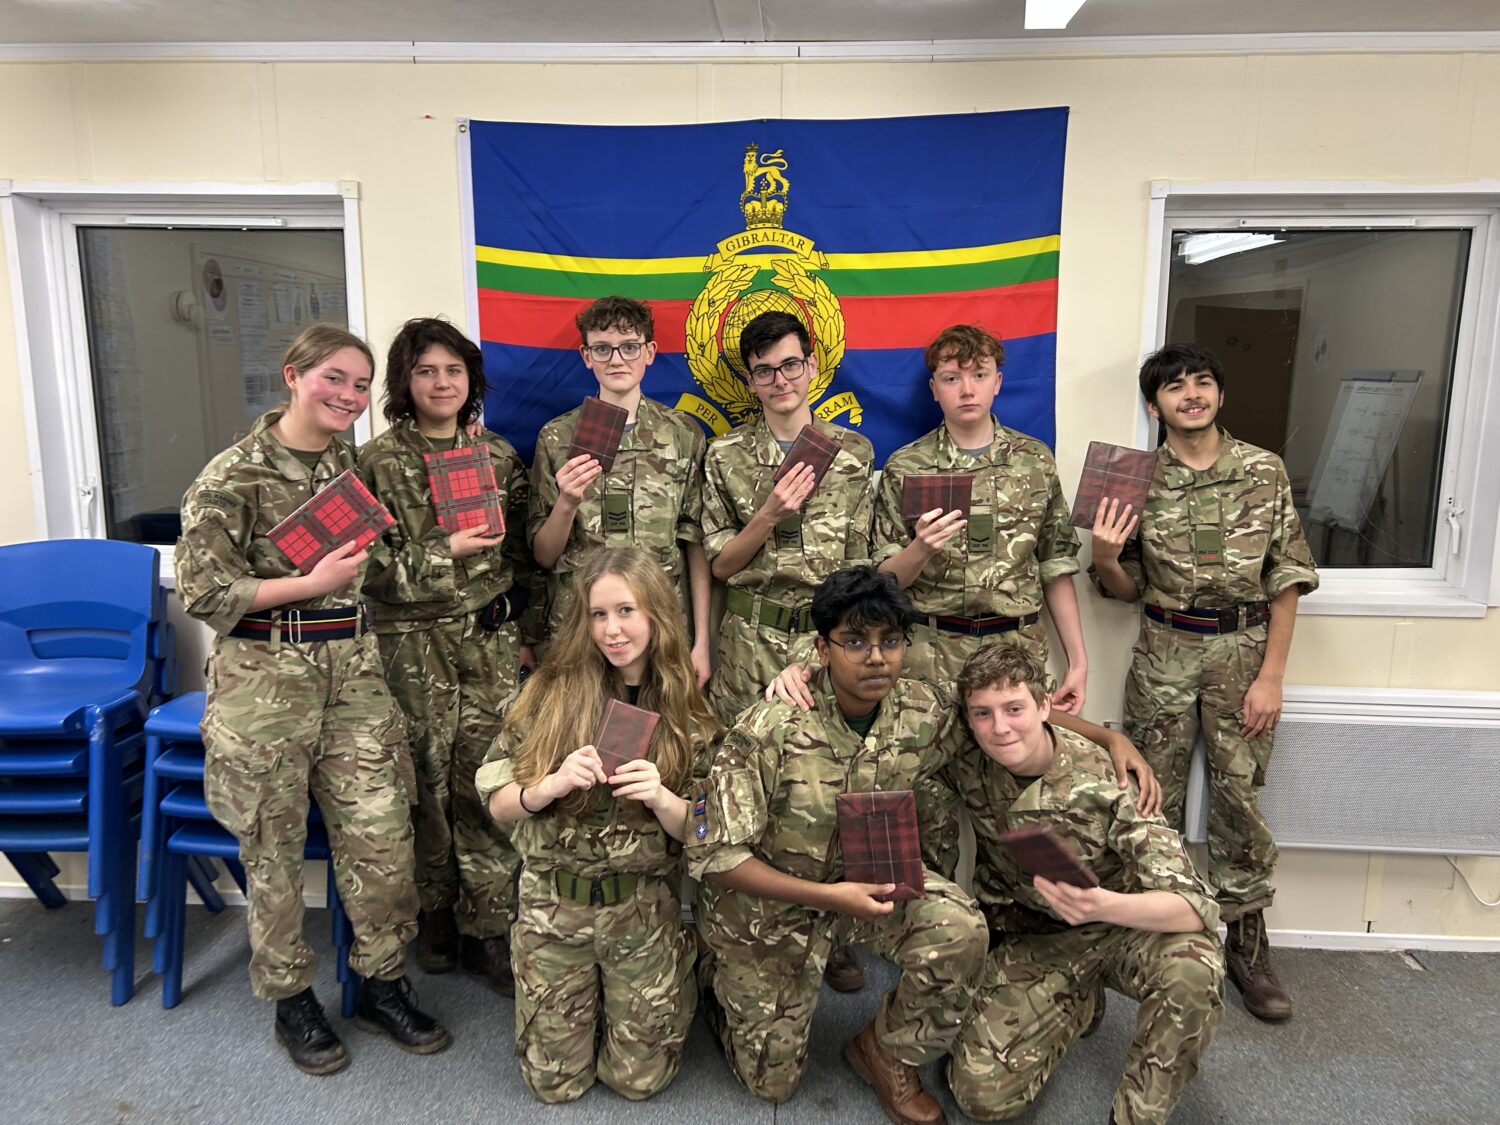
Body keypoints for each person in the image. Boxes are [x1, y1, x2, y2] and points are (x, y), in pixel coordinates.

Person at [176, 324, 448, 1075]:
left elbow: (381, 563)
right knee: (272, 848)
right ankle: (291, 997)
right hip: (265, 686)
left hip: (353, 678)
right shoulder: (231, 477)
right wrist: (307, 584)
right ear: (294, 374)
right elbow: (202, 591)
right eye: (335, 378)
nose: (349, 396)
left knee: (384, 834)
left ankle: (382, 980)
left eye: (361, 386)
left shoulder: (342, 465)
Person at [688, 566, 987, 1125]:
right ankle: (714, 971)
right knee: (772, 1085)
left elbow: (1001, 726)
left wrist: (1109, 738)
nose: (876, 657)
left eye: (890, 642)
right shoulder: (770, 726)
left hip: (868, 884)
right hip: (770, 909)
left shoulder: (920, 710)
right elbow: (715, 857)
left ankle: (885, 1050)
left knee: (960, 929)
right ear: (821, 649)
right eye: (855, 642)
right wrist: (833, 899)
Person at [1089, 342, 1320, 1021]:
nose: (1190, 394)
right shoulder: (1130, 477)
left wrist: (1271, 676)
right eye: (1174, 386)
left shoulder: (1263, 470)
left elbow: (1287, 578)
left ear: (1219, 394)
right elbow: (1122, 590)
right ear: (1154, 402)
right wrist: (1104, 556)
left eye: (1203, 382)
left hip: (1243, 651)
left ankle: (1244, 935)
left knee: (1238, 797)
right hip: (1164, 647)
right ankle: (1142, 930)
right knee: (1145, 792)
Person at [477, 546, 721, 1104]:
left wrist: (662, 798)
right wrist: (549, 786)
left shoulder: (689, 710)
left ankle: (684, 975)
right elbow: (495, 802)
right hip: (553, 912)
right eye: (599, 614)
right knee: (554, 1087)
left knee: (639, 1083)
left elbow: (704, 830)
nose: (613, 630)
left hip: (640, 914)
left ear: (657, 615)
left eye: (627, 611)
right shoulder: (549, 695)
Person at [945, 645, 1224, 1125]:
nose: (1001, 728)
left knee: (1195, 968)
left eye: (1015, 709)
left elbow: (1196, 907)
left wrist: (1101, 904)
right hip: (1036, 939)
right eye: (983, 714)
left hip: (1120, 929)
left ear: (1045, 706)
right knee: (980, 1096)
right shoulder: (971, 761)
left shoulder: (1109, 779)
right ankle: (1077, 1003)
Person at [358, 317, 541, 991]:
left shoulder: (495, 456)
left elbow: (527, 555)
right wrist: (444, 552)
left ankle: (488, 926)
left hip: (488, 645)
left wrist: (530, 630)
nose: (442, 382)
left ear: (473, 381)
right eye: (427, 370)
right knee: (424, 782)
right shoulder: (377, 461)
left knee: (488, 778)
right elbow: (360, 566)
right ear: (406, 380)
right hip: (412, 646)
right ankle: (434, 912)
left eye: (454, 370)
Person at [699, 309, 876, 992]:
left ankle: (830, 931)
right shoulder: (725, 456)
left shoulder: (853, 453)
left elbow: (863, 563)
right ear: (749, 379)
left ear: (813, 364)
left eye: (790, 363)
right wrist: (769, 511)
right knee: (739, 783)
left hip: (829, 640)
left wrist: (828, 650)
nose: (779, 378)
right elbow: (718, 566)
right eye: (764, 369)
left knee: (828, 786)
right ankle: (733, 925)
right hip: (749, 638)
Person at [873, 323, 1086, 877]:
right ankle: (932, 932)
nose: (966, 388)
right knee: (923, 803)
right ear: (934, 389)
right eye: (951, 377)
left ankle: (1013, 932)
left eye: (978, 375)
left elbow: (1056, 566)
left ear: (998, 383)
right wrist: (920, 547)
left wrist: (1079, 661)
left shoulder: (1034, 461)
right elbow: (884, 579)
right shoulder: (906, 466)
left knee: (1018, 801)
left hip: (1013, 650)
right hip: (929, 653)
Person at [528, 296, 711, 684]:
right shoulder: (558, 438)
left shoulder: (682, 434)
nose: (616, 359)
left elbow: (694, 541)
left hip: (661, 623)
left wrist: (702, 642)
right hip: (581, 626)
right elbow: (543, 556)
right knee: (581, 737)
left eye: (629, 347)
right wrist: (567, 502)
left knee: (662, 736)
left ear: (649, 352)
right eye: (603, 348)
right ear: (586, 355)